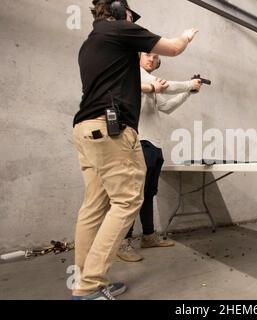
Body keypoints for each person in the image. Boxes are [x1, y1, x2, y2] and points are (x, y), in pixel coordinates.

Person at [72, 0, 198, 300]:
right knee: (128, 201)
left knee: (93, 207)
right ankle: (89, 287)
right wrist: (186, 36)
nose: (133, 19)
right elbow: (175, 47)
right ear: (118, 11)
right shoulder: (120, 30)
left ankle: (85, 280)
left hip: (86, 129)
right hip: (112, 130)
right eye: (130, 14)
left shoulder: (90, 44)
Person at [117, 52, 203, 262]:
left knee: (148, 194)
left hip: (154, 144)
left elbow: (166, 107)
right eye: (147, 54)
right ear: (137, 57)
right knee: (135, 194)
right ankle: (123, 242)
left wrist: (189, 92)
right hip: (140, 142)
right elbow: (169, 86)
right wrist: (189, 83)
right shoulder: (135, 74)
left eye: (155, 57)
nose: (151, 59)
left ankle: (148, 236)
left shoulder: (150, 85)